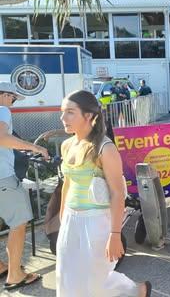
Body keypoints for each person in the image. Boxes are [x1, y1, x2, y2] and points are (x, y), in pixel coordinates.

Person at [56, 90, 151, 296]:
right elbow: (67, 184)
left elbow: (118, 194)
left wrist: (115, 235)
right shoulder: (66, 145)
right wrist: (63, 217)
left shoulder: (105, 148)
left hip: (96, 220)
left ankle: (136, 291)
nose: (63, 118)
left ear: (89, 116)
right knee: (67, 274)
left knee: (95, 278)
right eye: (63, 112)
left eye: (70, 112)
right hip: (71, 219)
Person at [0, 82, 49, 291]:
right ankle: (15, 275)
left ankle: (1, 267)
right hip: (3, 178)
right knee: (18, 224)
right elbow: (2, 138)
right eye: (12, 98)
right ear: (4, 95)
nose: (12, 103)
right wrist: (35, 147)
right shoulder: (2, 110)